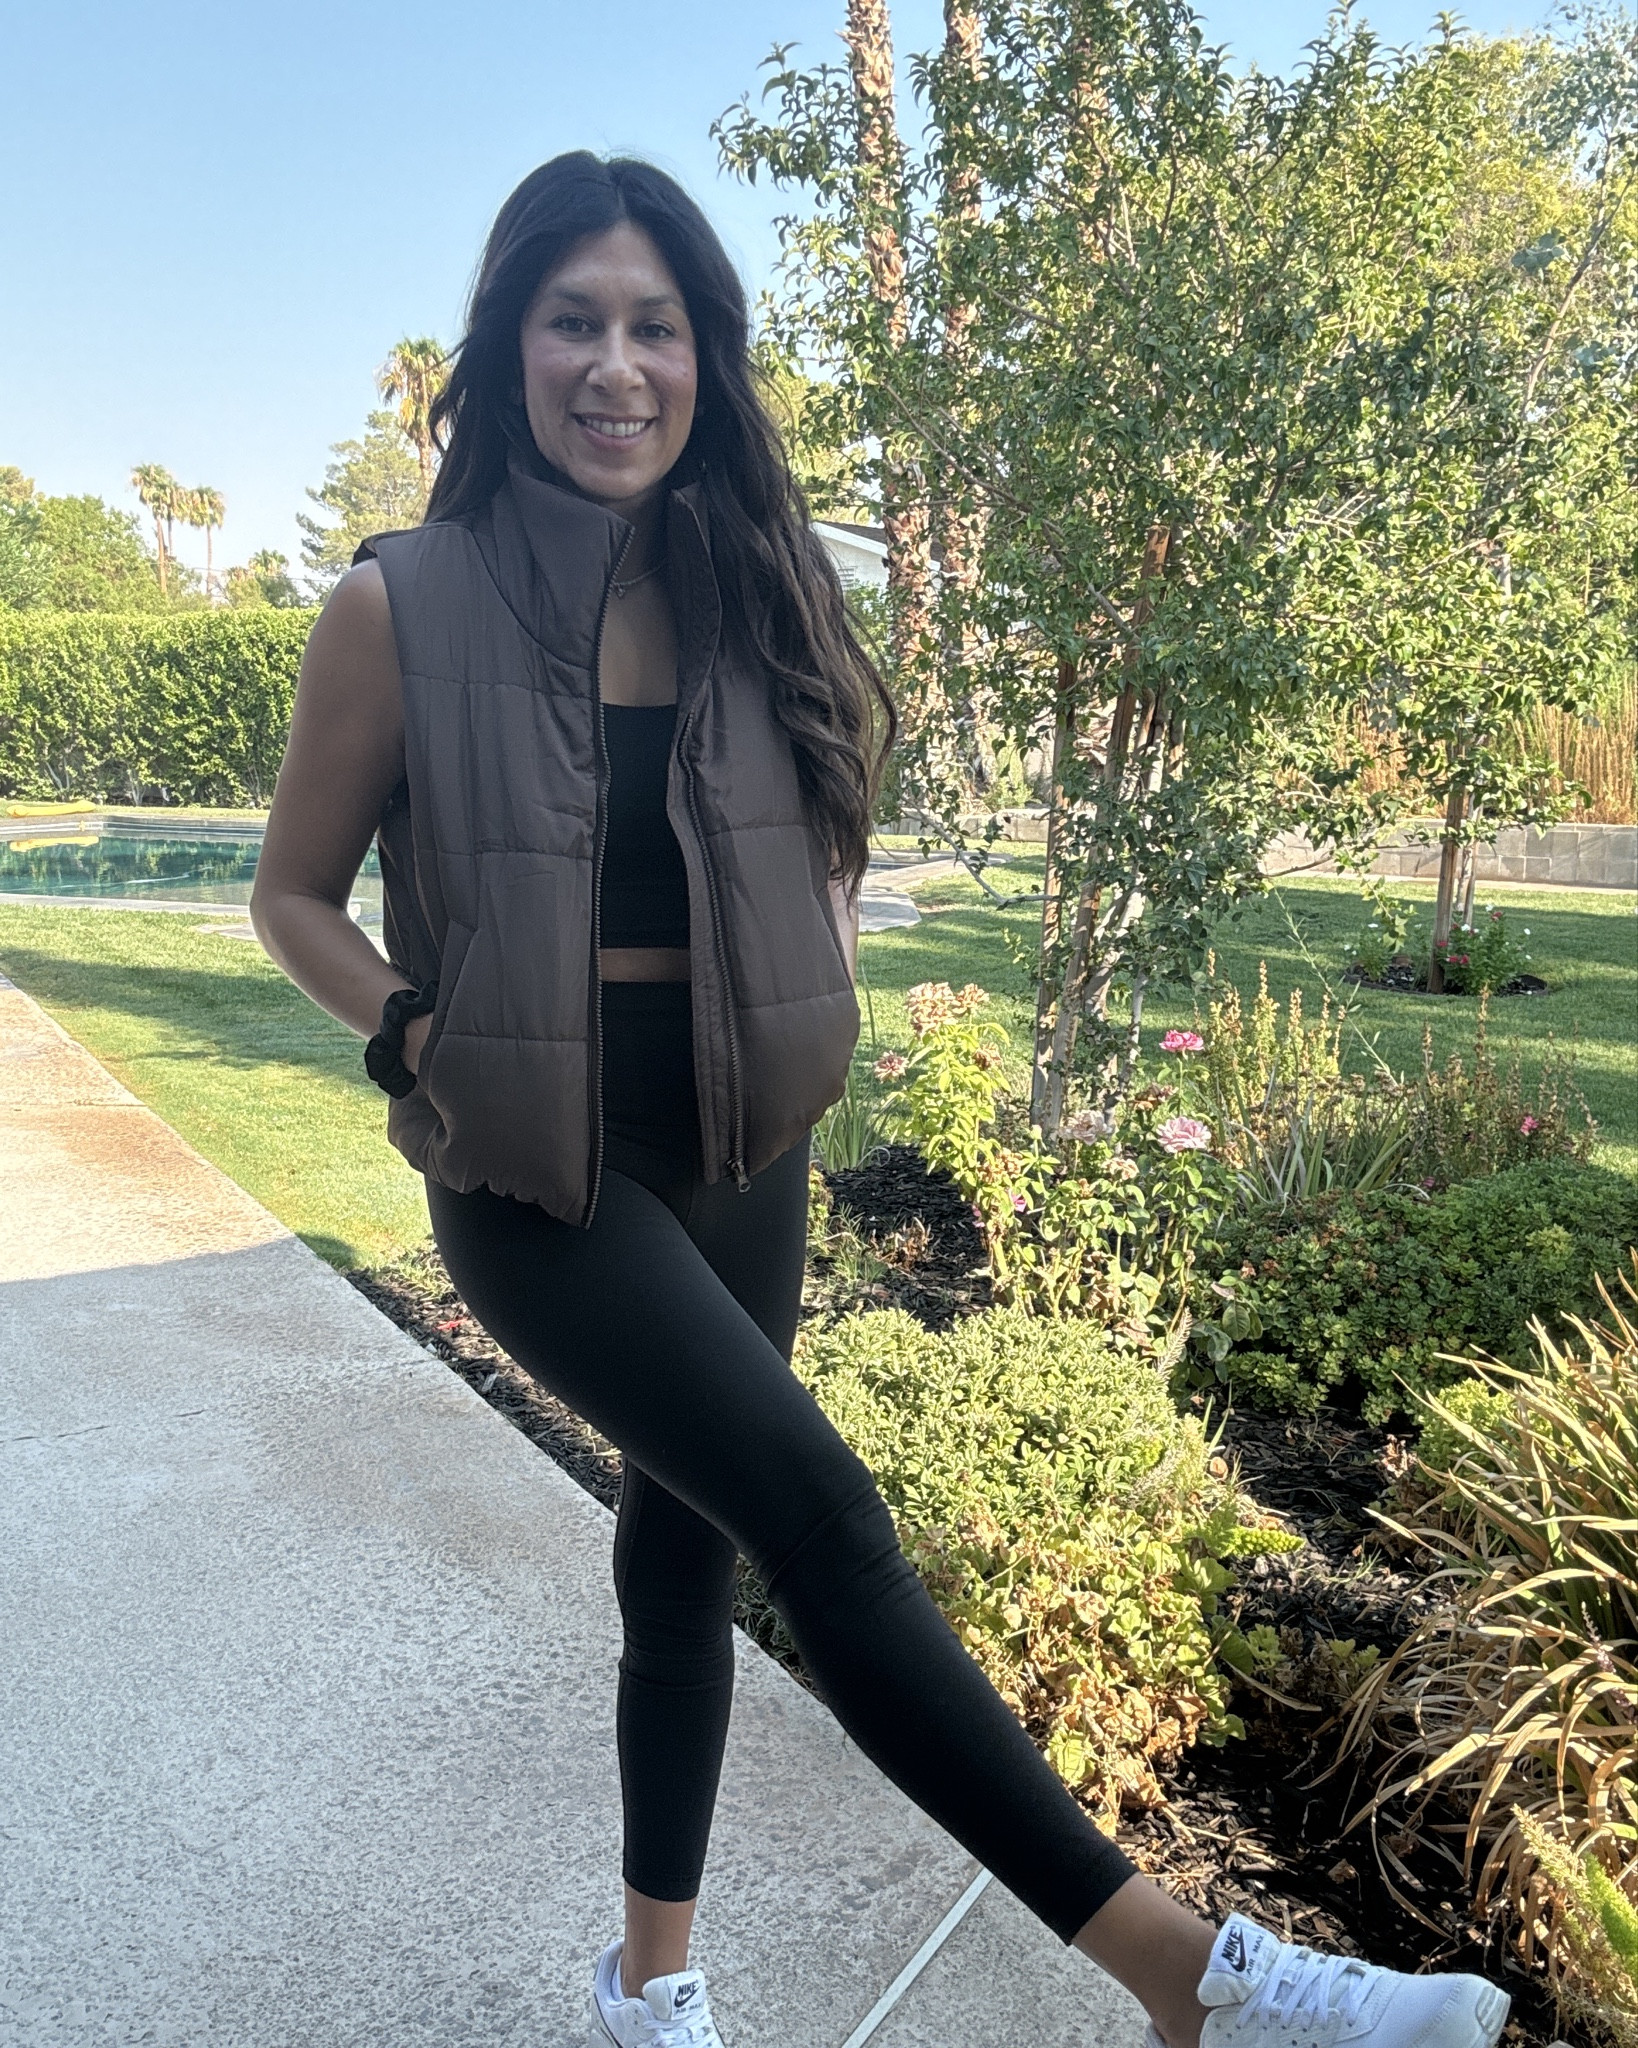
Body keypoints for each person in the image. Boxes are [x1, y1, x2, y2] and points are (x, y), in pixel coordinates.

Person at [251, 152, 1511, 2048]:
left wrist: (812, 976)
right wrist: (411, 1035)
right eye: (573, 322)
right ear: (507, 345)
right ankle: (1193, 1982)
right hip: (538, 1168)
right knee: (825, 1520)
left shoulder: (757, 587)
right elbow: (289, 893)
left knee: (678, 1545)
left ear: (705, 357)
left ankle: (645, 1989)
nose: (616, 367)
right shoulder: (397, 606)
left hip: (748, 1142)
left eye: (654, 327)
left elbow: (816, 836)